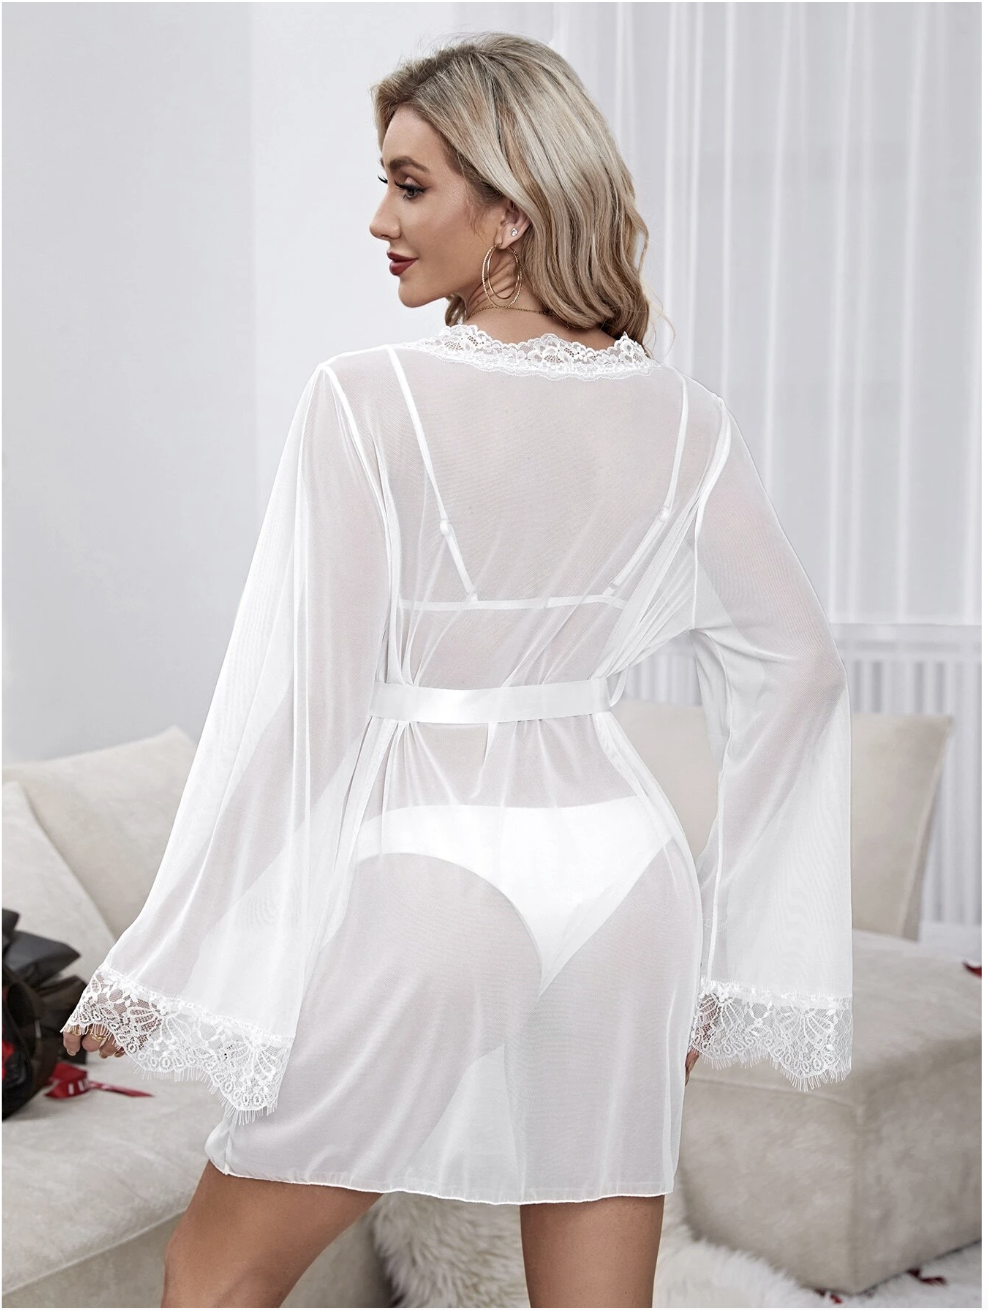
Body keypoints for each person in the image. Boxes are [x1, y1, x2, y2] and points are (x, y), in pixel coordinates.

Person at [61, 31, 853, 1310]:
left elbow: (308, 717)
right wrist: (728, 955)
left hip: (435, 863)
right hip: (628, 878)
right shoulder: (684, 418)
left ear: (511, 212)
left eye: (411, 184)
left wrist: (161, 954)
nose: (379, 219)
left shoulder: (365, 399)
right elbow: (801, 665)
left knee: (215, 1269)